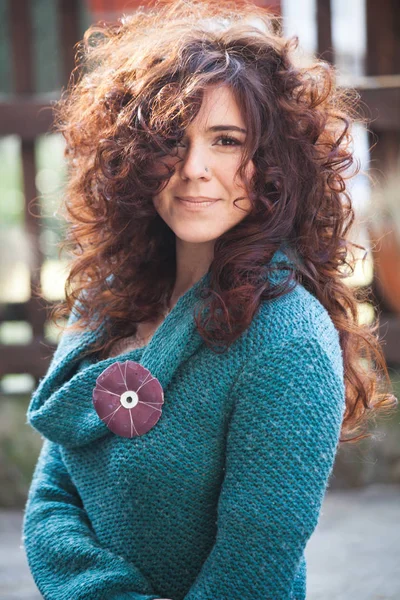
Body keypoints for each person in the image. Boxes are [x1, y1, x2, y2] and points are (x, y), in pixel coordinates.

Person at [22, 1, 397, 599]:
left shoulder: (287, 342)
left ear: (276, 165)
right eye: (173, 139)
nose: (195, 168)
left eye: (227, 140)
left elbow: (251, 574)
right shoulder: (110, 302)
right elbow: (51, 499)